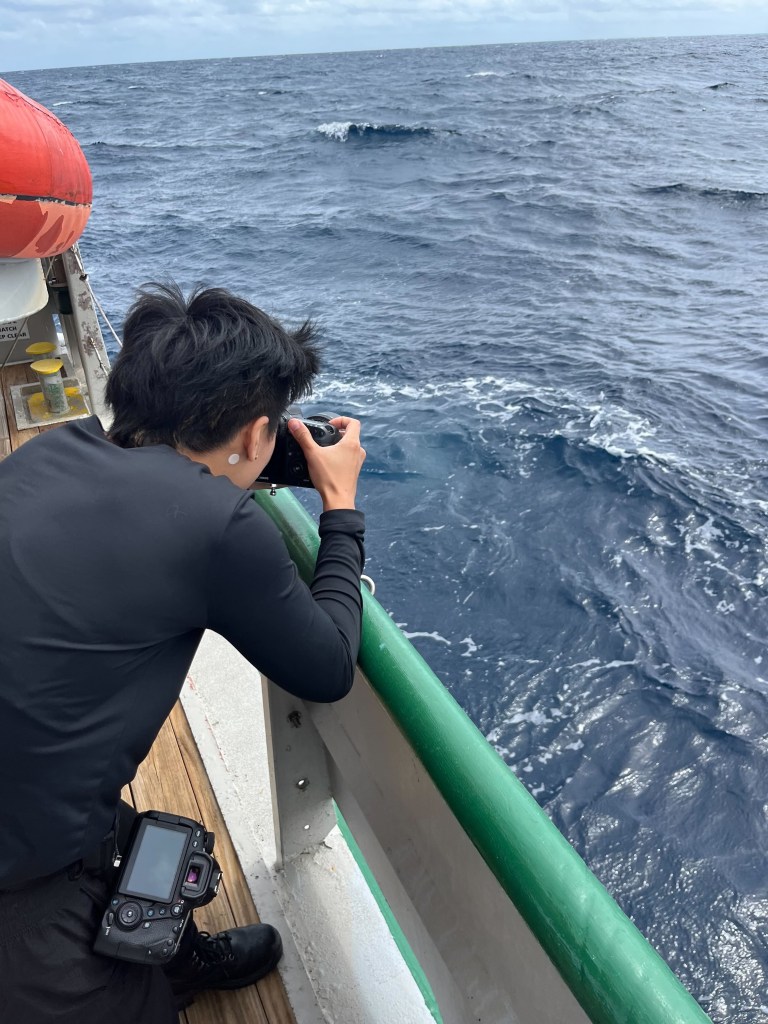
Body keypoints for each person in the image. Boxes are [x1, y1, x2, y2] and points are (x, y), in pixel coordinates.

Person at [0, 282, 366, 1022]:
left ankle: (169, 957)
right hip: (20, 872)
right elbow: (327, 666)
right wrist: (342, 513)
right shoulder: (217, 526)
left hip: (30, 794)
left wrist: (223, 471)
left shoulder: (42, 454)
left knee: (126, 839)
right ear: (257, 434)